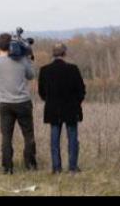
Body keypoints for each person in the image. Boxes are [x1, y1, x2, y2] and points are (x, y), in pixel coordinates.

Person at [0, 33, 37, 174]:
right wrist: (27, 57)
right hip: (23, 103)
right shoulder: (21, 61)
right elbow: (31, 75)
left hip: (5, 104)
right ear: (11, 45)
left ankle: (7, 167)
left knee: (6, 137)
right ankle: (30, 164)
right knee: (28, 135)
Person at [38, 43, 86, 174]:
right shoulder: (73, 69)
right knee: (72, 139)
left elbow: (41, 92)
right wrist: (77, 103)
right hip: (71, 109)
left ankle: (56, 167)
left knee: (54, 139)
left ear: (53, 54)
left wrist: (49, 101)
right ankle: (72, 167)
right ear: (65, 53)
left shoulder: (44, 70)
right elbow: (81, 90)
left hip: (53, 109)